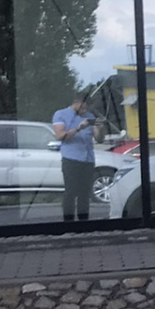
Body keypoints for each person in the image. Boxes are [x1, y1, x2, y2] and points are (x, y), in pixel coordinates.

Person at [52, 92, 101, 221]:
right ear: (77, 102)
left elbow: (99, 139)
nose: (85, 111)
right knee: (71, 192)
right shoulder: (61, 114)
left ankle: (83, 221)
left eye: (87, 108)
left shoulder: (89, 116)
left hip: (88, 159)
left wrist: (100, 127)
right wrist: (79, 128)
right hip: (71, 159)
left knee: (85, 193)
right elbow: (60, 136)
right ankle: (69, 221)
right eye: (83, 107)